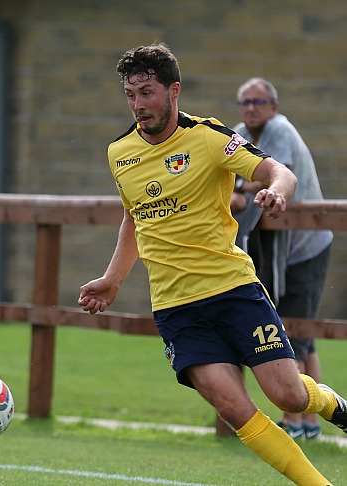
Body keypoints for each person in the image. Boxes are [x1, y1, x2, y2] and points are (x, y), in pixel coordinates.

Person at [78, 42, 347, 485]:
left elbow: (279, 171)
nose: (137, 104)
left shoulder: (208, 137)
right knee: (234, 409)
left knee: (290, 396)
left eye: (146, 92)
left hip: (233, 289)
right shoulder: (119, 153)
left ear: (173, 90)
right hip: (176, 308)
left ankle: (336, 407)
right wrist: (113, 279)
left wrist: (277, 190)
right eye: (130, 94)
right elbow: (133, 218)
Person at [230, 77, 333, 441]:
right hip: (275, 249)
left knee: (293, 333)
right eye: (244, 102)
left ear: (273, 106)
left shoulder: (281, 129)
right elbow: (225, 174)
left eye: (258, 101)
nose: (250, 108)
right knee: (299, 334)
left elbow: (271, 178)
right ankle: (309, 424)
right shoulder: (240, 132)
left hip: (304, 249)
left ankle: (296, 422)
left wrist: (238, 189)